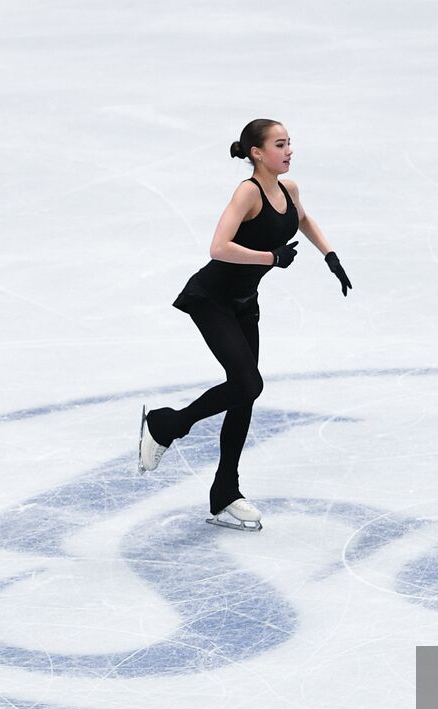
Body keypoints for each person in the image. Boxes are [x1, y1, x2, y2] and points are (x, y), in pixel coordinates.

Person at [138, 119, 352, 531]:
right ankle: (166, 424)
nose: (289, 151)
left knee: (243, 397)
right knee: (248, 384)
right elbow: (219, 247)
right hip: (211, 300)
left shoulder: (288, 189)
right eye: (279, 145)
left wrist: (329, 255)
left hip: (243, 303)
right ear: (257, 153)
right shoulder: (247, 193)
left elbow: (302, 220)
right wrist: (270, 258)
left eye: (290, 143)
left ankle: (225, 493)